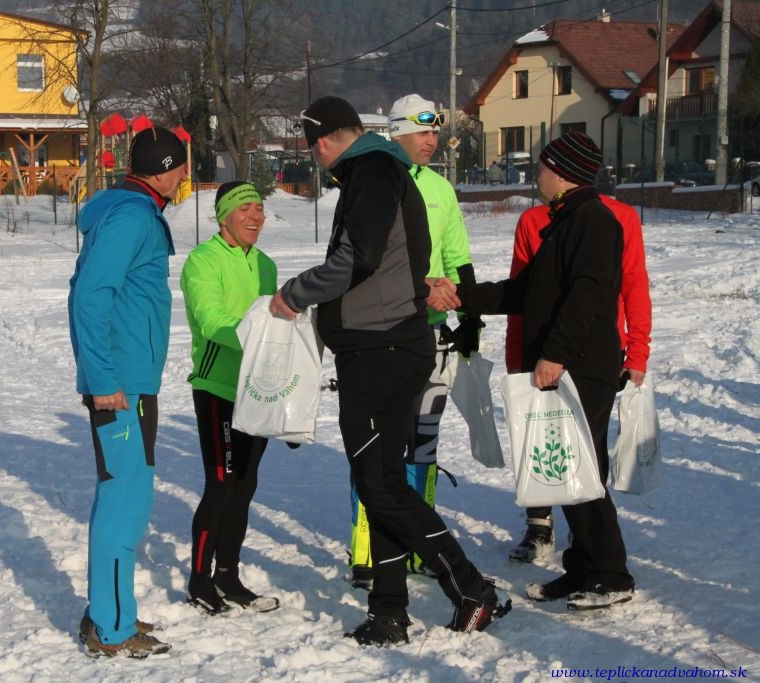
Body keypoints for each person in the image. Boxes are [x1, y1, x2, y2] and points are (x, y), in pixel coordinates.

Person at [270, 95, 510, 645]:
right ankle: (388, 609)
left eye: (313, 149)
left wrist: (296, 293)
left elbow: (358, 259)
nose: (317, 160)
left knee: (379, 485)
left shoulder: (373, 173)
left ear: (322, 142)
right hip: (387, 344)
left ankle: (470, 588)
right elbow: (402, 262)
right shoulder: (387, 173)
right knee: (381, 482)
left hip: (382, 348)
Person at [456, 132, 636, 610]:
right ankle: (583, 569)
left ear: (562, 172)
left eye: (541, 168)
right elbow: (525, 292)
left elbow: (588, 295)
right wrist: (460, 295)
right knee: (569, 471)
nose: (536, 176)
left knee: (583, 470)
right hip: (568, 365)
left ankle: (611, 575)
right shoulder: (565, 222)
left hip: (582, 366)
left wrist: (555, 354)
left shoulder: (593, 222)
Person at [347, 93, 484, 588]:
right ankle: (367, 550)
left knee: (422, 442)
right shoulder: (373, 179)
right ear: (397, 133)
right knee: (377, 446)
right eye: (423, 132)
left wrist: (470, 318)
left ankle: (420, 547)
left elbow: (458, 258)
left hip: (429, 332)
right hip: (383, 329)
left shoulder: (441, 188)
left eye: (435, 132)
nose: (432, 141)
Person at [67, 127, 188, 657]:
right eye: (180, 166)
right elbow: (89, 296)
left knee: (126, 494)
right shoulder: (132, 217)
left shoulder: (133, 211)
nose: (184, 176)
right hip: (120, 386)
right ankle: (111, 628)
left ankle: (110, 611)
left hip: (131, 380)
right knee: (126, 499)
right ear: (163, 170)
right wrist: (104, 382)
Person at [505, 195, 652, 564]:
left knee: (587, 448)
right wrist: (516, 358)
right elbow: (521, 294)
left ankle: (590, 542)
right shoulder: (533, 220)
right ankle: (539, 524)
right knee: (539, 438)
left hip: (595, 354)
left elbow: (634, 282)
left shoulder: (618, 217)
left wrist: (637, 350)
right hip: (541, 353)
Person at [180, 181, 281, 616]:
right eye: (245, 209)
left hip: (256, 388)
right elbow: (211, 319)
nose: (256, 216)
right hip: (217, 389)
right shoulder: (203, 260)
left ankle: (227, 575)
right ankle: (199, 579)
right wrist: (256, 338)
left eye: (259, 208)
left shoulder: (266, 265)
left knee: (245, 485)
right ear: (224, 216)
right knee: (221, 484)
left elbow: (278, 325)